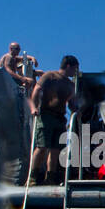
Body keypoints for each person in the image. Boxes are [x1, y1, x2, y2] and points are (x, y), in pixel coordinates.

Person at [28, 55, 80, 185]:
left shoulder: (70, 84)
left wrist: (76, 110)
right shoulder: (50, 76)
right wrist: (33, 108)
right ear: (68, 66)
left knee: (56, 149)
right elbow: (36, 91)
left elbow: (71, 103)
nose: (75, 72)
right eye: (75, 69)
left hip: (59, 118)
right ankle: (32, 177)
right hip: (46, 115)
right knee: (42, 146)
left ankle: (50, 177)